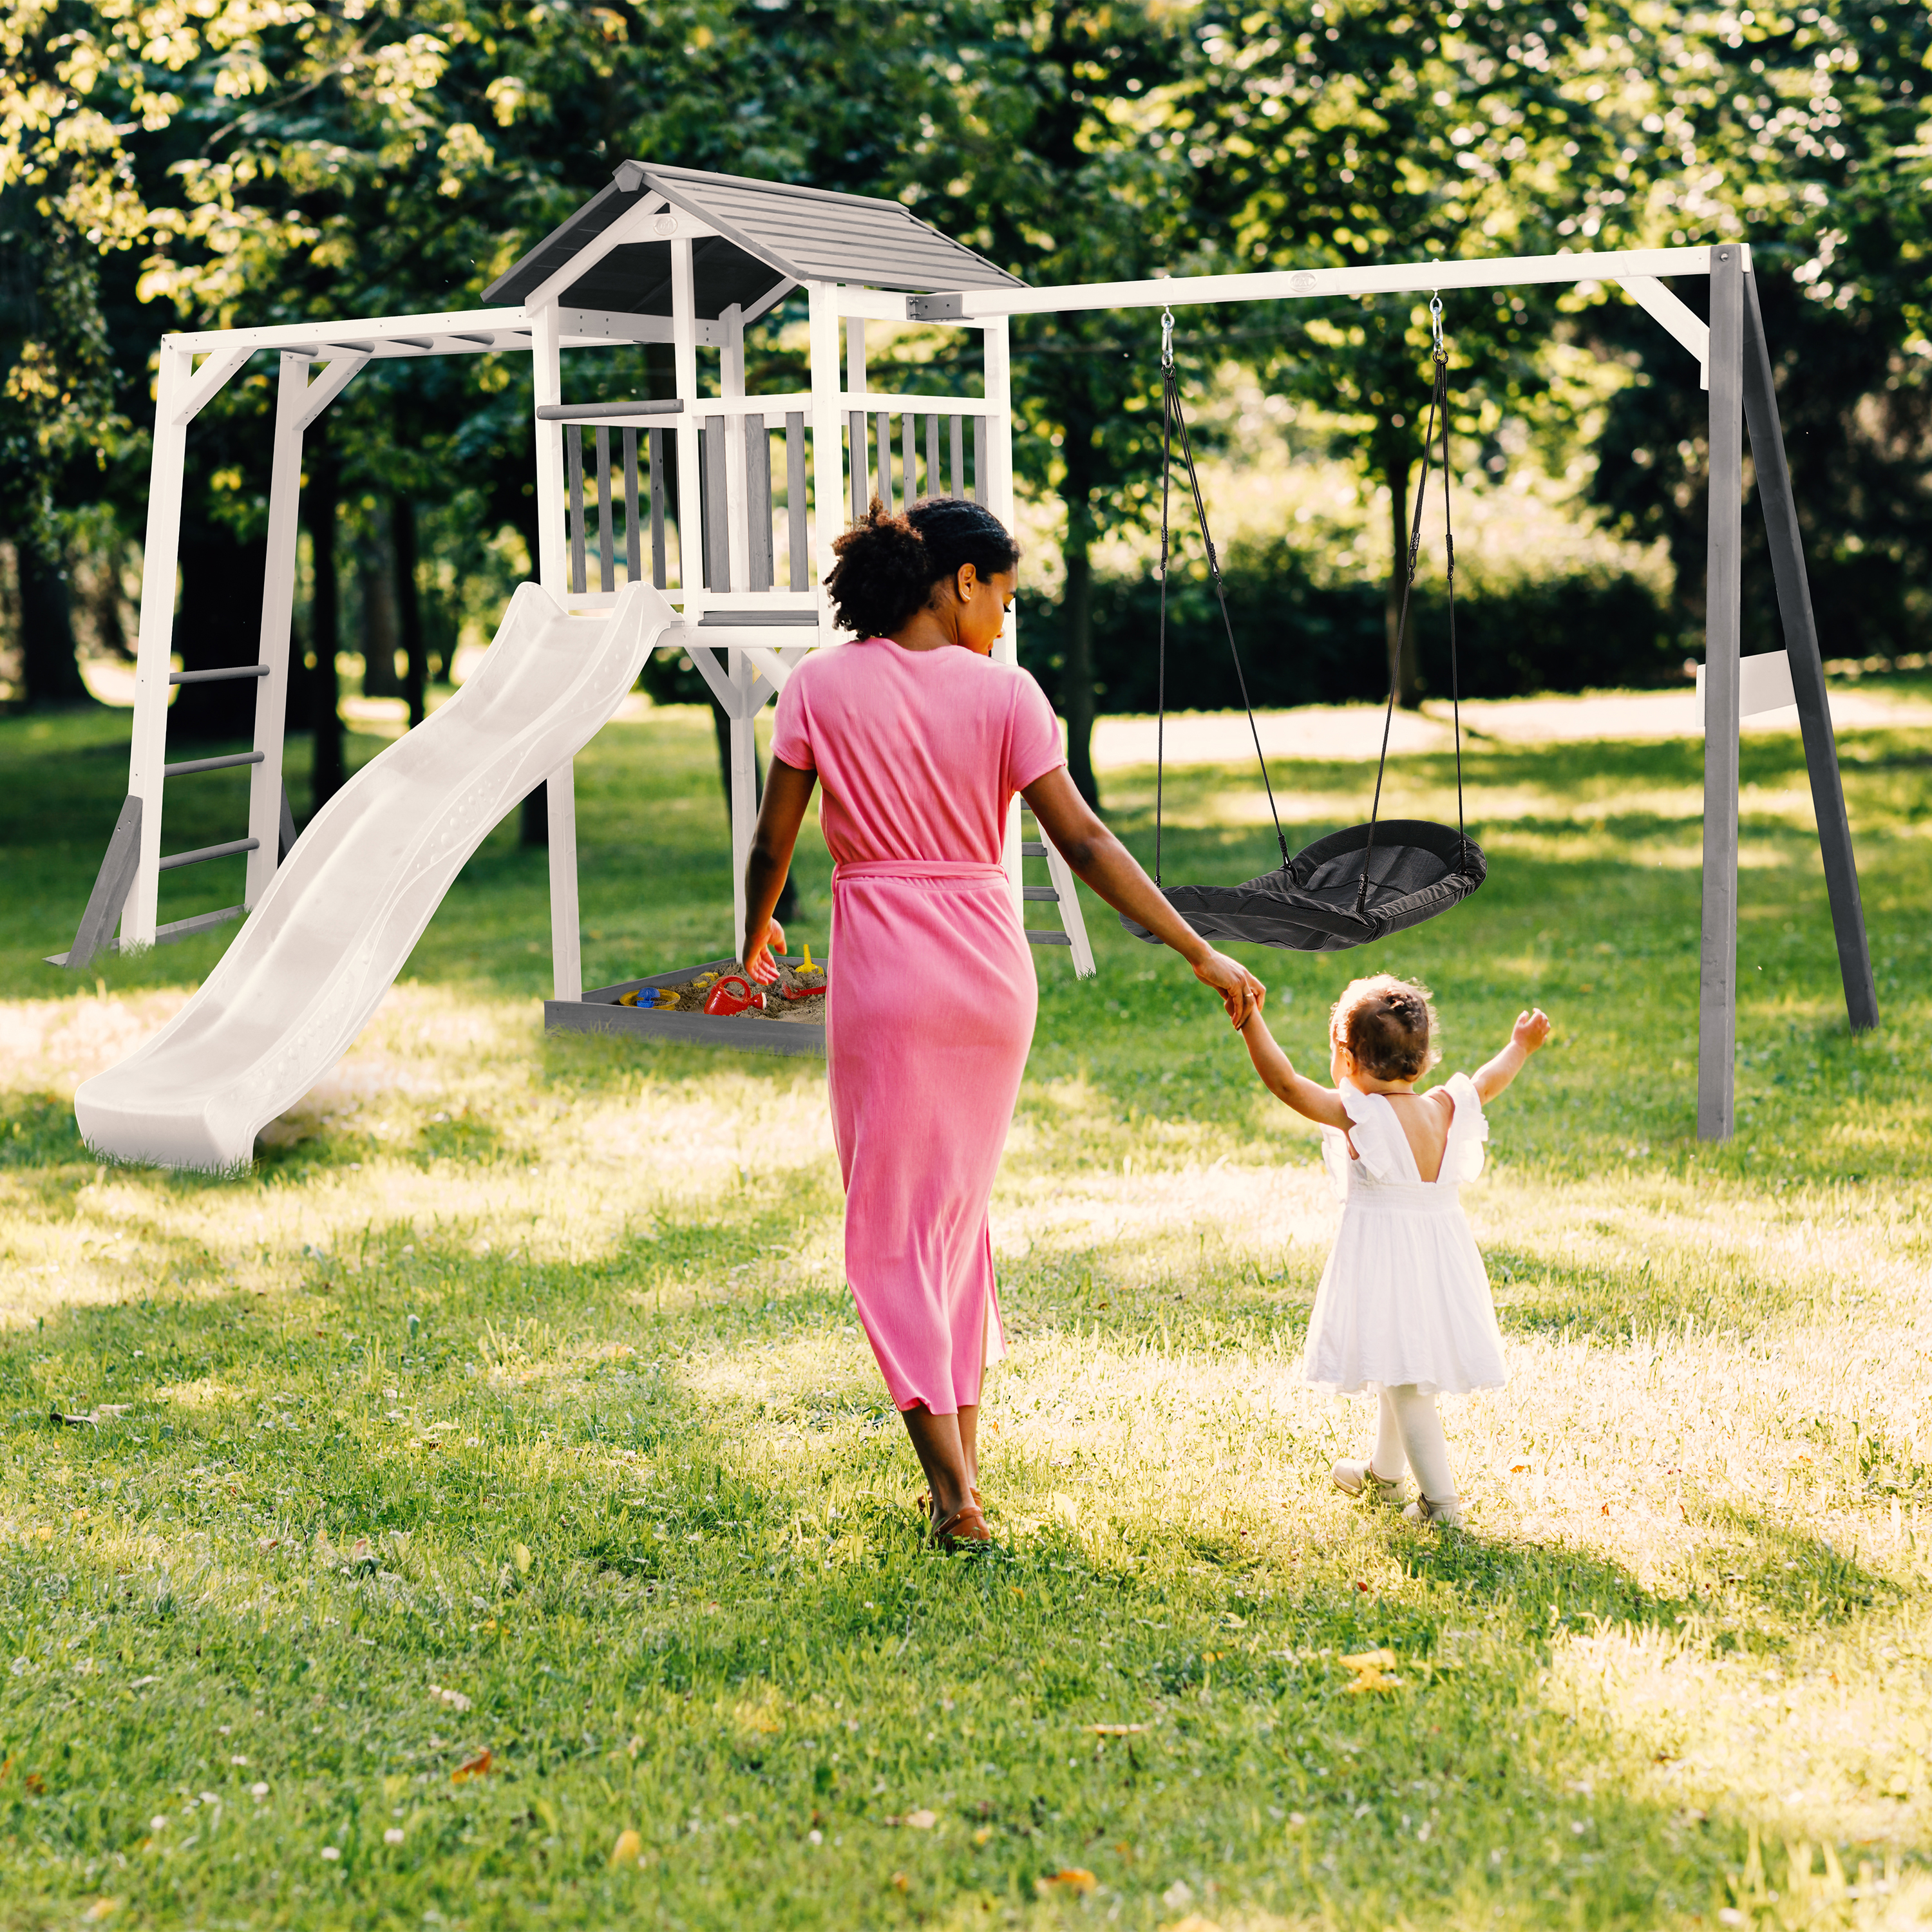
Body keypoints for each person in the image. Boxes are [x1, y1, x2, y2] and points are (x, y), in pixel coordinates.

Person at [741, 497, 1265, 1548]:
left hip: (888, 976)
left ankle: (955, 1498)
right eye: (1005, 598)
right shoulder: (1009, 695)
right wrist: (1197, 947)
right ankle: (963, 1477)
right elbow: (1087, 842)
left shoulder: (817, 687)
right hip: (990, 977)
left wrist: (753, 937)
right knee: (952, 1223)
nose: (1004, 620)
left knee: (891, 1233)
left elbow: (772, 843)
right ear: (961, 581)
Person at [1235, 974, 1551, 1527]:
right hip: (1439, 1262)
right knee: (1395, 1362)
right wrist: (1519, 1046)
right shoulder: (1444, 1107)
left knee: (1406, 1385)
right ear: (1422, 1061)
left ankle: (1441, 1505)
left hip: (1389, 1264)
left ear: (1347, 1058)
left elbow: (1285, 1083)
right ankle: (1384, 1475)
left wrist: (1250, 1019)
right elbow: (1488, 1080)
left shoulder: (1361, 1115)